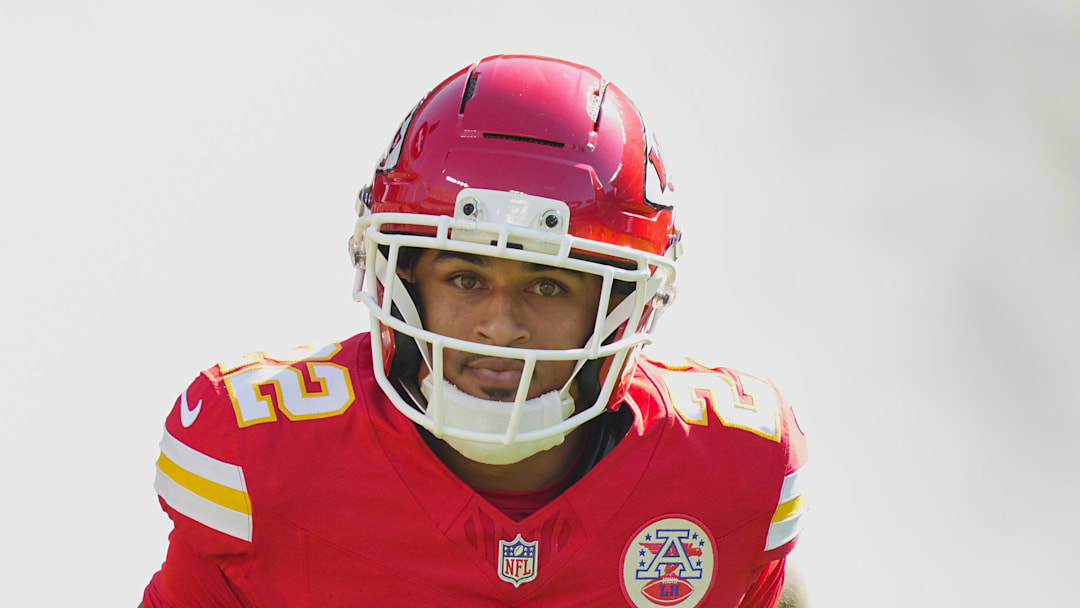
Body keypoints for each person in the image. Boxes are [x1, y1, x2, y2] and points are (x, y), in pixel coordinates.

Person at [140, 54, 809, 608]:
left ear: (625, 304)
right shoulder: (261, 457)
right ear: (402, 278)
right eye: (465, 278)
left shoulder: (729, 470)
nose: (500, 325)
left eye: (549, 286)